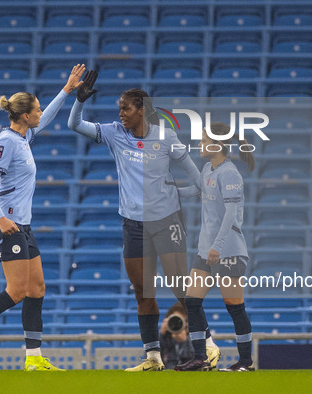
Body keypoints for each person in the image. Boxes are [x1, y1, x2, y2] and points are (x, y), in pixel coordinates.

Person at [68, 72, 220, 371]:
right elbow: (74, 124)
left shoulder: (165, 137)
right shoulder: (114, 133)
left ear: (141, 109)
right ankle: (152, 358)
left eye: (125, 108)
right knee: (142, 290)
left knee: (181, 288)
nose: (120, 113)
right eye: (119, 108)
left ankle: (209, 346)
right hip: (133, 225)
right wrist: (79, 100)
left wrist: (177, 190)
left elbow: (197, 179)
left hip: (166, 221)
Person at [0, 64, 86, 371]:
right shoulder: (7, 141)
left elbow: (45, 120)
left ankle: (33, 359)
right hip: (6, 225)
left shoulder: (22, 138)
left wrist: (67, 89)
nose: (39, 113)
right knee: (17, 290)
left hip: (22, 225)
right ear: (24, 116)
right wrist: (0, 218)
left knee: (37, 289)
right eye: (35, 110)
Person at [175, 122, 256, 372]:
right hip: (206, 251)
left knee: (234, 307)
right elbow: (195, 190)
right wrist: (168, 191)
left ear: (217, 144)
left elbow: (231, 214)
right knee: (192, 300)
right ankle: (200, 358)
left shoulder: (230, 173)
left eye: (202, 140)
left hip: (227, 250)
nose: (199, 144)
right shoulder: (209, 168)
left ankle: (245, 362)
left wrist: (218, 246)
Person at [160, 302, 193, 369]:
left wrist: (185, 342)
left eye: (185, 321)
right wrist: (161, 335)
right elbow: (152, 360)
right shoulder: (165, 337)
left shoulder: (199, 338)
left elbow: (194, 364)